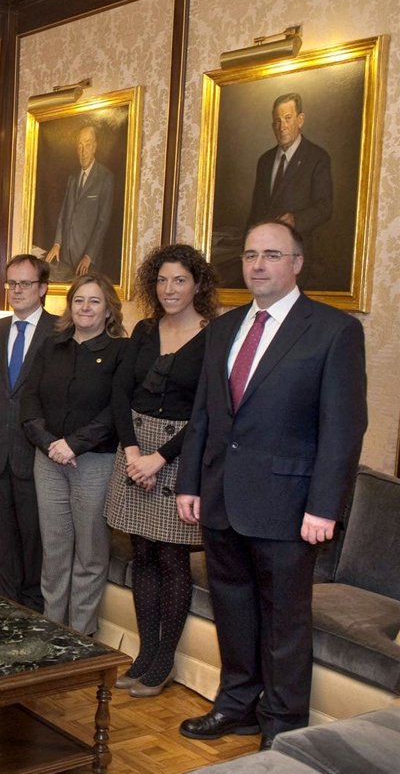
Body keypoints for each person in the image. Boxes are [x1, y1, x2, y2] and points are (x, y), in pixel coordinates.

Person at [176, 221, 367, 750]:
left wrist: (325, 506)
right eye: (250, 255)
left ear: (297, 263)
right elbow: (204, 415)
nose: (258, 265)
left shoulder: (333, 330)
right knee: (233, 611)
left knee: (284, 619)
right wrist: (190, 484)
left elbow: (344, 427)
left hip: (289, 505)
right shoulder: (223, 328)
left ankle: (283, 722)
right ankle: (236, 705)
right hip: (220, 499)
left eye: (272, 255)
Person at [104, 244, 218, 698]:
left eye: (180, 280)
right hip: (134, 447)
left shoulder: (214, 336)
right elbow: (120, 392)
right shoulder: (145, 329)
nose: (169, 289)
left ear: (197, 285)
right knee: (143, 555)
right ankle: (145, 652)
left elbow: (208, 411)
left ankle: (164, 660)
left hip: (180, 452)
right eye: (162, 280)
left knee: (171, 558)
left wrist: (159, 458)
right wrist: (134, 451)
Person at [20, 272, 127, 636]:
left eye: (94, 301)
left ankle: (81, 637)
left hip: (95, 462)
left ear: (108, 310)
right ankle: (52, 630)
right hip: (48, 460)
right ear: (69, 307)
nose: (85, 307)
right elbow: (29, 400)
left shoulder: (121, 351)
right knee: (54, 549)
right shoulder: (51, 346)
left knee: (90, 554)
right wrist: (50, 443)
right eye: (79, 300)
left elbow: (116, 411)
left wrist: (74, 444)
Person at [0, 254, 58, 610]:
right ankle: (5, 606)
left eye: (25, 283)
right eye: (12, 283)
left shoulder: (59, 330)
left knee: (33, 536)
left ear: (43, 288)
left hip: (37, 453)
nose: (17, 290)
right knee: (3, 535)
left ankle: (32, 610)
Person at [245, 93, 332, 247]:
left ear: (300, 120)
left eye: (288, 118)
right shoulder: (265, 161)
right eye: (277, 121)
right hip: (264, 248)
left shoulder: (317, 157)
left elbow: (324, 208)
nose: (282, 127)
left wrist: (296, 220)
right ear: (273, 126)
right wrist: (247, 246)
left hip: (296, 248)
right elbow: (256, 211)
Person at [46, 125, 114, 281]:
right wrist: (57, 243)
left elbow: (103, 222)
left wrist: (89, 255)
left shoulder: (105, 178)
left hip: (87, 262)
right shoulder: (73, 179)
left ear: (95, 147)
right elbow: (64, 214)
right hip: (65, 258)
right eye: (80, 146)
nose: (83, 151)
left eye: (88, 145)